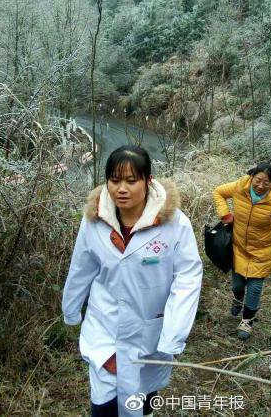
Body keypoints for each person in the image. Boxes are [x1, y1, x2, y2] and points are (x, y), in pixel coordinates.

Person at [62, 145, 203, 417]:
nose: (121, 189)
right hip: (104, 327)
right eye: (114, 180)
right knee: (103, 403)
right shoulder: (94, 220)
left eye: (131, 180)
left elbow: (187, 278)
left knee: (143, 397)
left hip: (149, 331)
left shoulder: (174, 224)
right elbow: (81, 267)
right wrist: (71, 308)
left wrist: (174, 335)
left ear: (148, 181)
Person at [212, 162, 271, 340]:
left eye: (266, 183)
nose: (261, 186)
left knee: (254, 288)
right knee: (238, 285)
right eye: (258, 180)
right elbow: (218, 192)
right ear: (252, 177)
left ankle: (247, 321)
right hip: (239, 246)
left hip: (262, 252)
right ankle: (238, 298)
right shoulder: (240, 186)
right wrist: (225, 214)